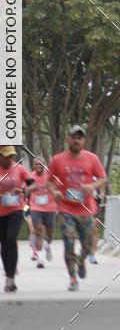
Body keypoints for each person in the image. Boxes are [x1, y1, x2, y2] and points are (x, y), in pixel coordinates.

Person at [48, 125, 107, 291]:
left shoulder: (92, 159)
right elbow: (49, 181)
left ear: (84, 140)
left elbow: (103, 178)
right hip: (66, 208)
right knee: (68, 242)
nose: (76, 140)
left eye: (79, 137)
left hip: (86, 209)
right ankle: (73, 278)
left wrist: (92, 186)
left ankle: (81, 261)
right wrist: (55, 192)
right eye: (73, 137)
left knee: (87, 245)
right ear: (68, 139)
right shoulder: (58, 160)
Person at [0, 146, 32, 292]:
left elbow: (33, 185)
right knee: (4, 243)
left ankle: (11, 277)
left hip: (16, 209)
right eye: (6, 156)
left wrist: (23, 190)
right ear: (0, 156)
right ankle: (8, 277)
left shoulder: (20, 169)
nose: (9, 159)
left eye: (12, 156)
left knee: (11, 240)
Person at [28, 156, 56, 268]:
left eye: (41, 164)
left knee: (50, 234)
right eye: (36, 164)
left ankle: (47, 245)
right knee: (38, 230)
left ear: (45, 164)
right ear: (33, 166)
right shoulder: (30, 177)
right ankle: (41, 259)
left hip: (50, 208)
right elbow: (24, 189)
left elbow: (57, 188)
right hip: (36, 207)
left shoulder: (51, 175)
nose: (38, 166)